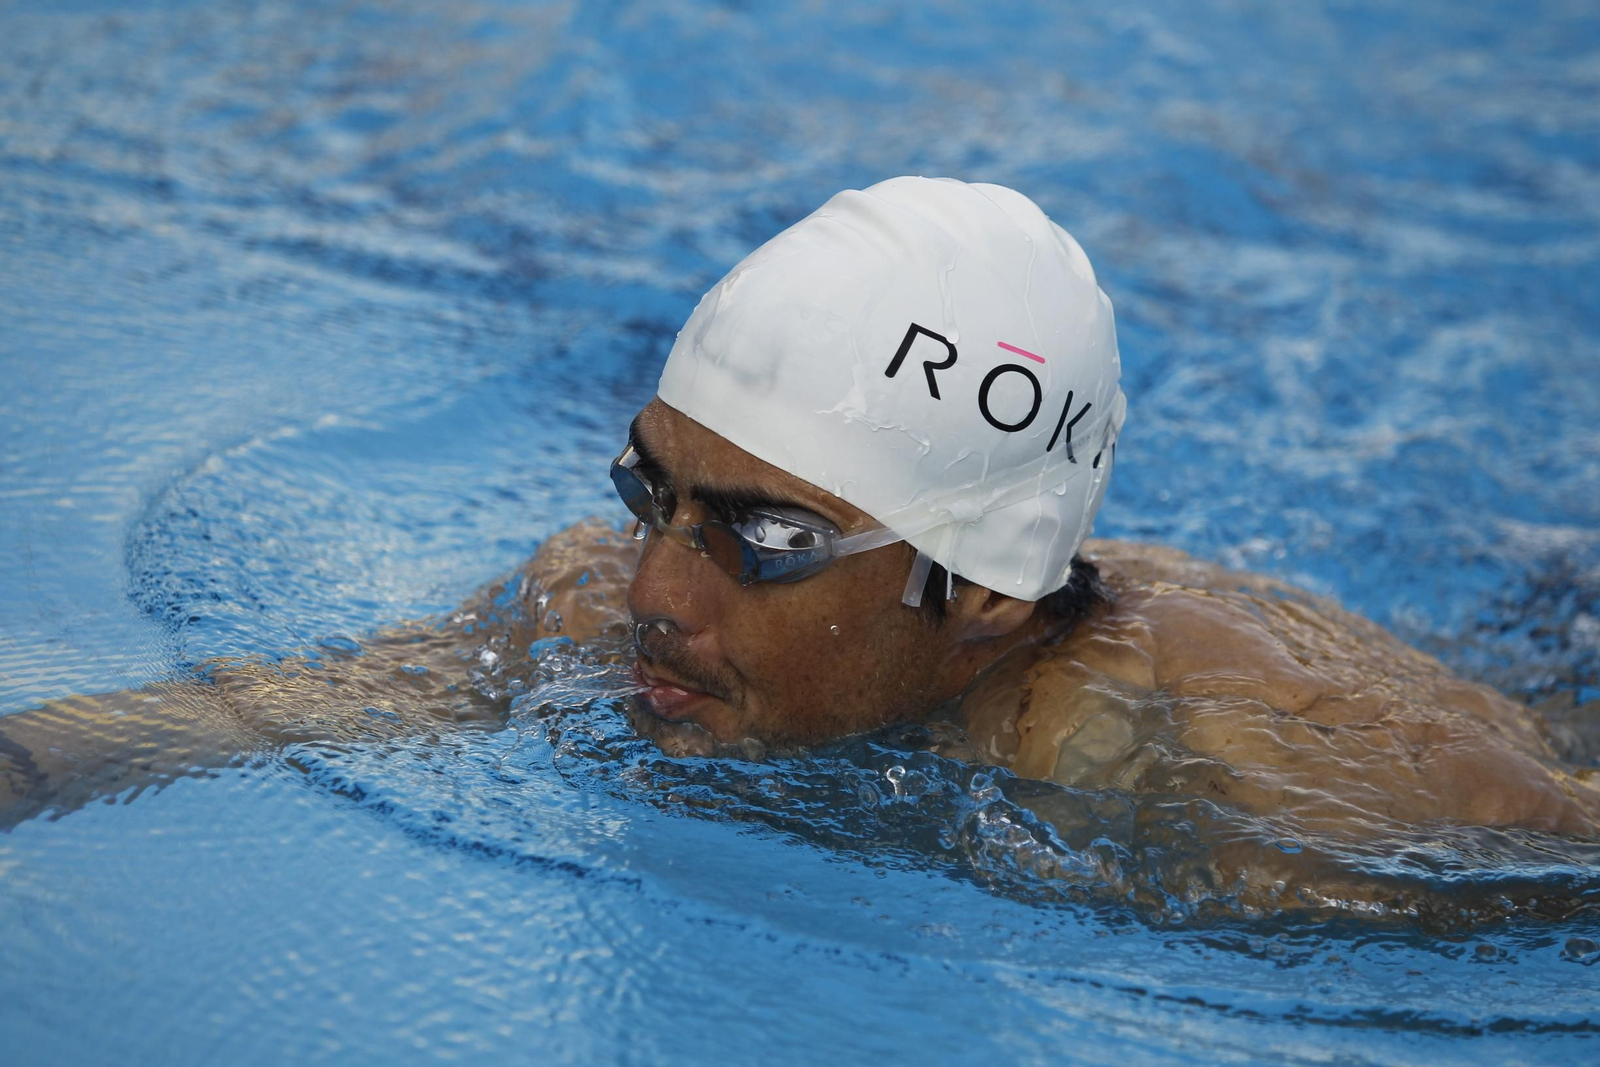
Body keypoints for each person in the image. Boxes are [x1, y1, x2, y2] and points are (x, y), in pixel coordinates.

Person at [3, 177, 1596, 850]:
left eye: (759, 540)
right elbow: (281, 710)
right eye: (653, 493)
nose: (649, 590)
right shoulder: (590, 601)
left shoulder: (1260, 784)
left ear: (976, 594)